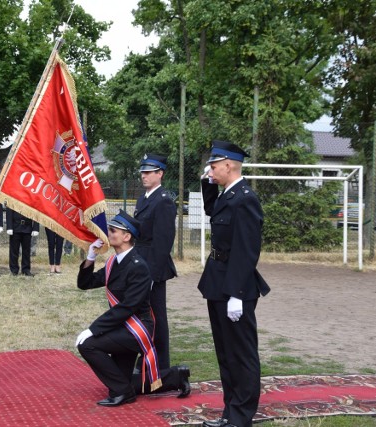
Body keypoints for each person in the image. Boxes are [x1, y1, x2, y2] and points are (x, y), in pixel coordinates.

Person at [75, 210, 190, 407]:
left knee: (88, 344)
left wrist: (93, 329)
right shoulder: (114, 262)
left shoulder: (138, 266)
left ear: (127, 237)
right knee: (124, 380)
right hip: (123, 327)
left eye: (113, 230)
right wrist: (91, 256)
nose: (108, 234)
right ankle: (176, 377)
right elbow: (85, 283)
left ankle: (124, 393)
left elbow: (128, 306)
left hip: (137, 329)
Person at [199, 141, 271, 427]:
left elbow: (247, 250)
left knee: (241, 354)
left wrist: (237, 294)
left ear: (229, 165)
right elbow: (211, 211)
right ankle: (230, 412)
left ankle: (242, 417)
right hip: (217, 281)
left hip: (234, 286)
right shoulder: (227, 194)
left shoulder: (245, 198)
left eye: (214, 166)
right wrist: (208, 184)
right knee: (226, 354)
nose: (210, 170)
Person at [133, 153, 177, 370]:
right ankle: (145, 359)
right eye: (143, 171)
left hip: (153, 267)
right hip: (139, 262)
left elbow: (163, 243)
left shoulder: (164, 201)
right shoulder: (144, 198)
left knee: (156, 316)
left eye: (149, 172)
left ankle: (161, 365)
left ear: (160, 174)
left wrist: (150, 274)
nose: (144, 175)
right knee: (141, 314)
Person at [6, 208, 39, 276]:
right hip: (15, 227)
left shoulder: (31, 197)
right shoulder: (14, 197)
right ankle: (14, 270)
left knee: (26, 251)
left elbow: (36, 210)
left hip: (27, 227)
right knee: (14, 250)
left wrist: (36, 227)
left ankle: (26, 269)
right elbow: (9, 209)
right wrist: (9, 227)